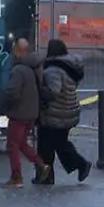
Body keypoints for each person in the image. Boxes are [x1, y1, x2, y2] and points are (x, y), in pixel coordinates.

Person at [34, 38, 91, 184]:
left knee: (46, 146)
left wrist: (40, 90)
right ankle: (76, 166)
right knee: (60, 144)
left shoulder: (53, 69)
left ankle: (50, 175)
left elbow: (54, 91)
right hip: (68, 111)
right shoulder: (69, 67)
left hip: (55, 113)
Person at [0, 38, 51, 189]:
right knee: (21, 143)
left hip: (19, 114)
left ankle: (17, 177)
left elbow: (12, 92)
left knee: (12, 145)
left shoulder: (18, 70)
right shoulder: (33, 68)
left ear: (17, 50)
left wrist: (6, 106)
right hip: (31, 113)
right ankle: (41, 165)